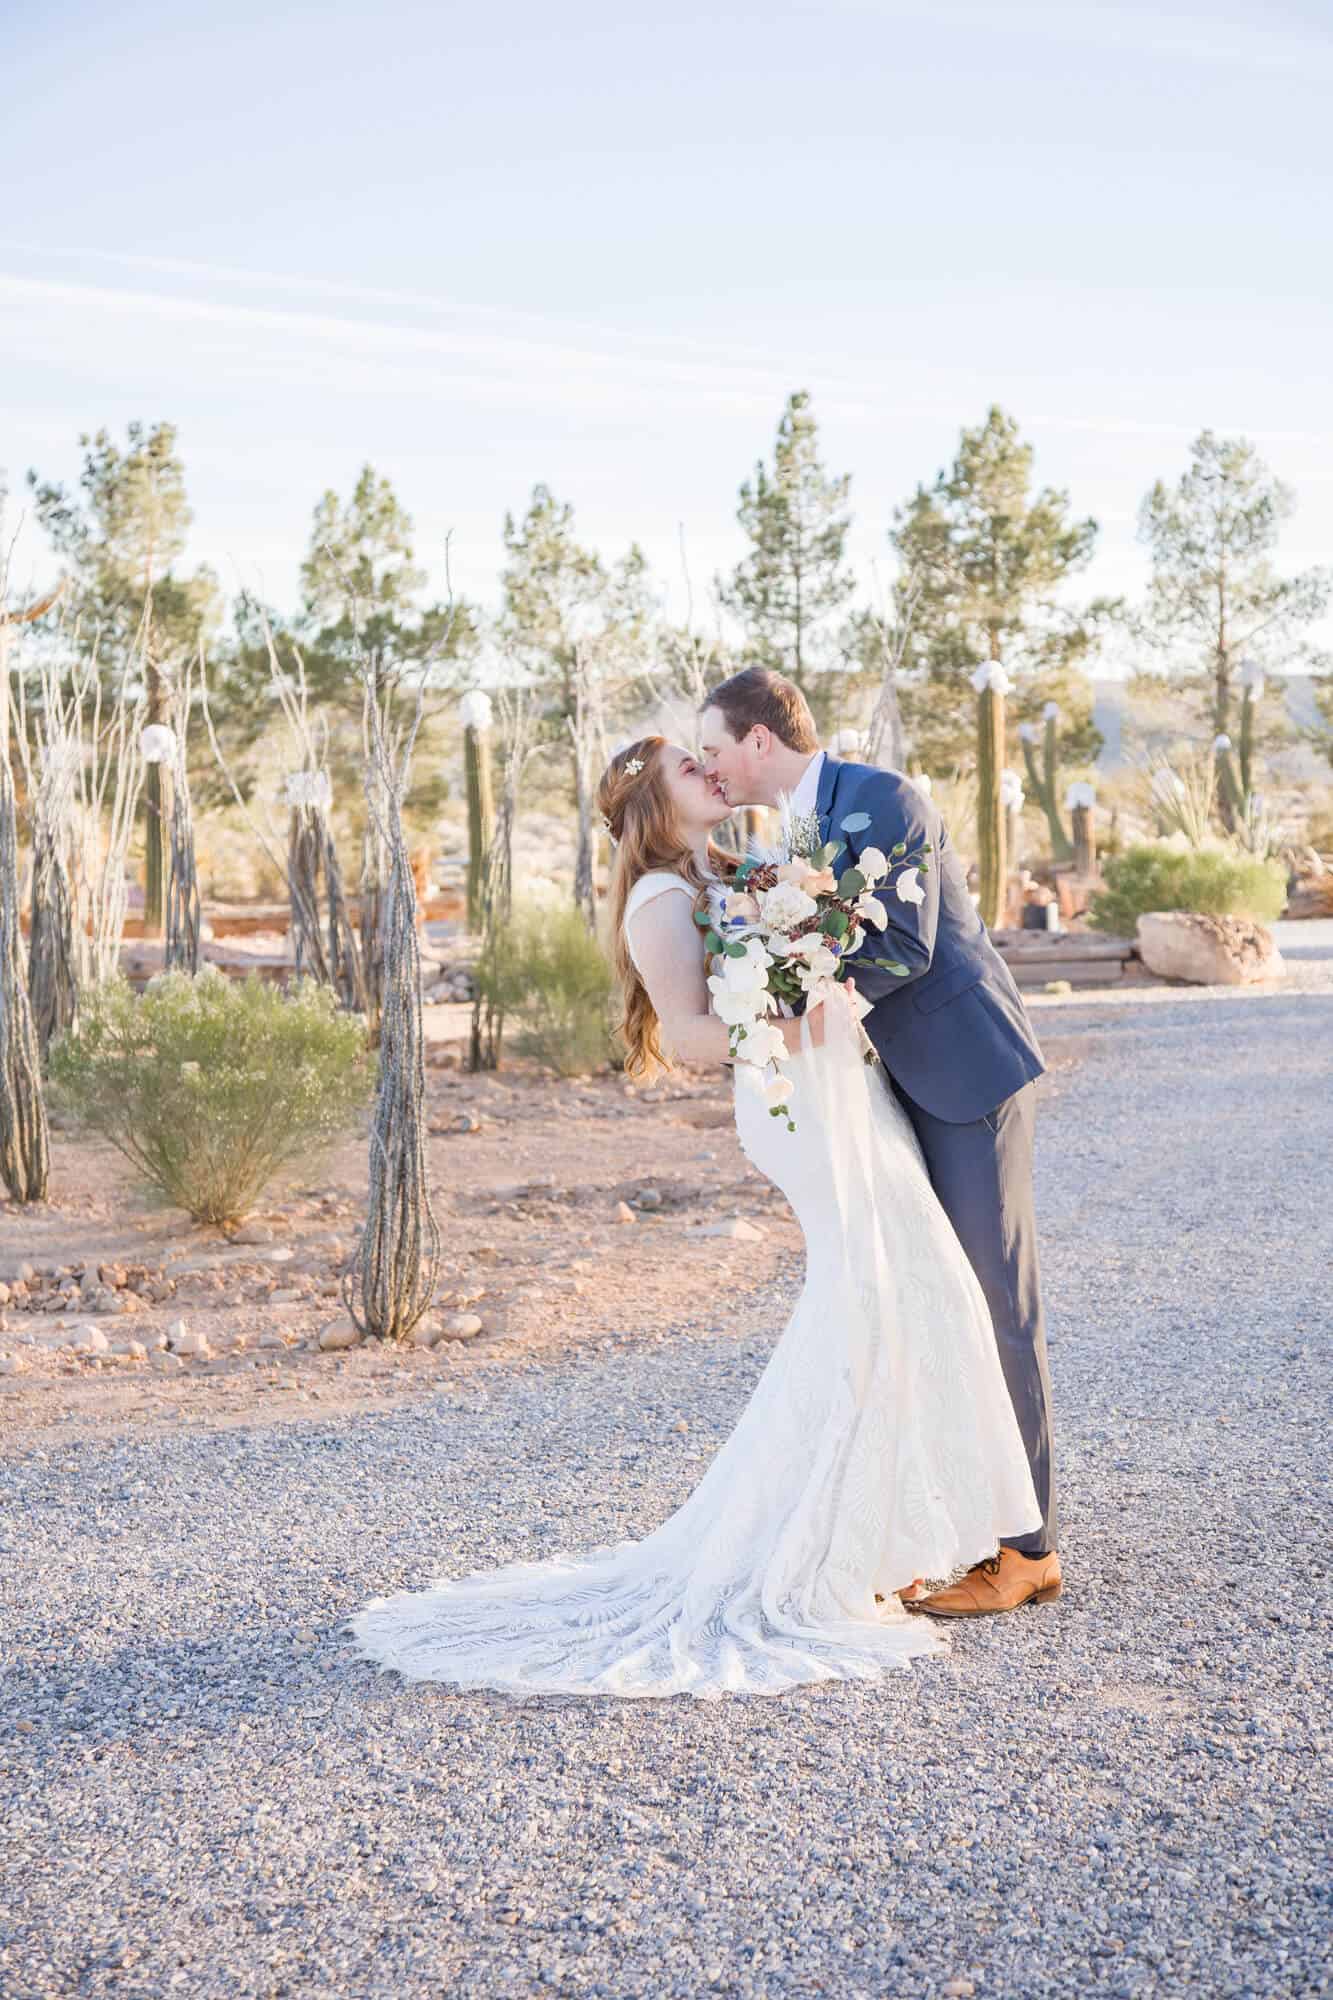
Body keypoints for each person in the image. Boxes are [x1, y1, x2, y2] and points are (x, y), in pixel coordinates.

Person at [345, 732, 1044, 1701]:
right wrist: (787, 997)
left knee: (905, 1288)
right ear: (649, 803)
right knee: (870, 1292)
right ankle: (831, 1542)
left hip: (844, 1092)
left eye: (711, 760)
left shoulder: (732, 868)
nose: (713, 774)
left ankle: (884, 1527)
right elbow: (685, 1037)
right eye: (690, 768)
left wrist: (808, 970)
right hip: (797, 1105)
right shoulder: (658, 900)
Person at [699, 666, 1060, 1617]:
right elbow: (826, 934)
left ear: (761, 740)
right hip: (893, 1090)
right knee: (923, 1299)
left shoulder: (880, 797)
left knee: (991, 1300)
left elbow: (899, 944)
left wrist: (772, 1001)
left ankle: (1029, 1552)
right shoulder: (795, 831)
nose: (710, 767)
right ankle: (949, 1530)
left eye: (715, 748)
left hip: (967, 1076)